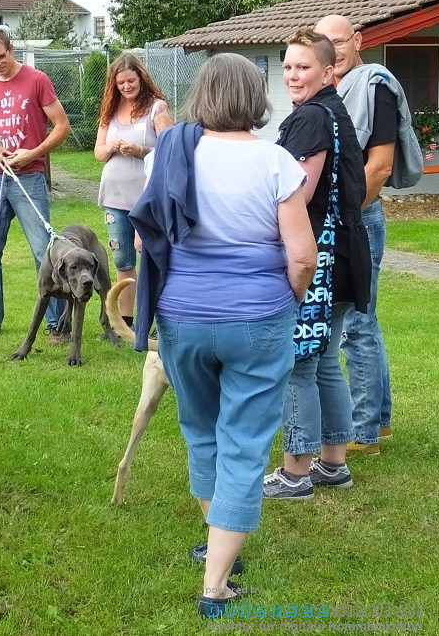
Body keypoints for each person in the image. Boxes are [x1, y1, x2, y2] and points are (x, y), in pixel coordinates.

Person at [129, 54, 318, 616]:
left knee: (203, 431)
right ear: (255, 97)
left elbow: (145, 241)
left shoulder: (169, 155)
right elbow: (302, 255)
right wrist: (290, 299)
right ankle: (216, 584)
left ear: (203, 96)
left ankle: (220, 546)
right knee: (244, 442)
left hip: (182, 317)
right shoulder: (277, 162)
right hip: (258, 319)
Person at [263, 29, 372, 498]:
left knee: (298, 364)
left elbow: (297, 194)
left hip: (323, 261)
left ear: (329, 71)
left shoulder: (311, 117)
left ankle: (295, 472)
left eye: (303, 66)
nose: (292, 74)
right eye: (287, 65)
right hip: (348, 256)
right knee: (326, 361)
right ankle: (333, 463)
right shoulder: (332, 110)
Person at [314, 14, 402, 455]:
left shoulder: (375, 88)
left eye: (338, 41)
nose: (332, 50)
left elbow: (380, 166)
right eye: (322, 43)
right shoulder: (335, 90)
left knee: (356, 326)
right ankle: (379, 422)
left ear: (358, 40)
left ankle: (363, 431)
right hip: (347, 217)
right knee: (363, 321)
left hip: (359, 219)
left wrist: (344, 214)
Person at [0, 26, 71, 341]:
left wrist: (33, 153)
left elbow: (62, 126)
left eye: (0, 57)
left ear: (11, 49)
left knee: (44, 252)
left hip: (30, 177)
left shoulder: (37, 80)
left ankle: (56, 325)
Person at [93, 53, 174, 327]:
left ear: (141, 78)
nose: (126, 87)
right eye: (121, 83)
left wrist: (141, 151)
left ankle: (157, 318)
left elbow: (170, 147)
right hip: (114, 197)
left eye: (131, 80)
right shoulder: (110, 109)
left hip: (147, 199)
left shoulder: (156, 107)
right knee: (122, 260)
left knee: (151, 258)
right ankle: (126, 323)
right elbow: (99, 153)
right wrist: (112, 147)